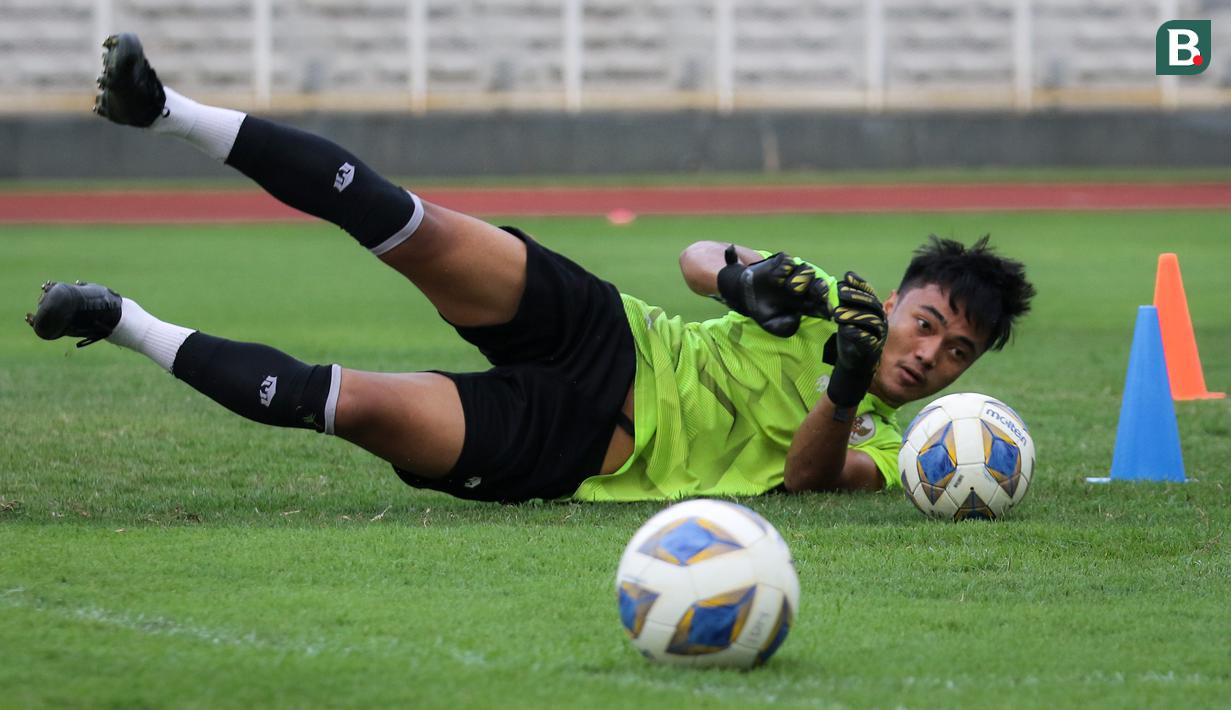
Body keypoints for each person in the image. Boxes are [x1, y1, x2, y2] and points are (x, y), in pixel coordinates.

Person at [27, 34, 1036, 503]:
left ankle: (121, 320)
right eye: (928, 323)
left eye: (957, 352)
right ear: (899, 298)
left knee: (342, 404)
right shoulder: (833, 298)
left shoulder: (915, 447)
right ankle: (161, 109)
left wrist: (847, 379)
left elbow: (814, 477)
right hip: (608, 330)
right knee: (406, 223)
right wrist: (741, 280)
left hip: (581, 447)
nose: (932, 355)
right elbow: (696, 257)